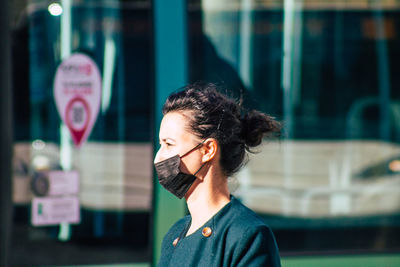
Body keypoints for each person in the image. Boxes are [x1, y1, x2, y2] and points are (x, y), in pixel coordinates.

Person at [154, 82, 282, 267]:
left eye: (169, 144)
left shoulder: (247, 235)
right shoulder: (174, 235)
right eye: (160, 145)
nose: (159, 157)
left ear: (207, 150)